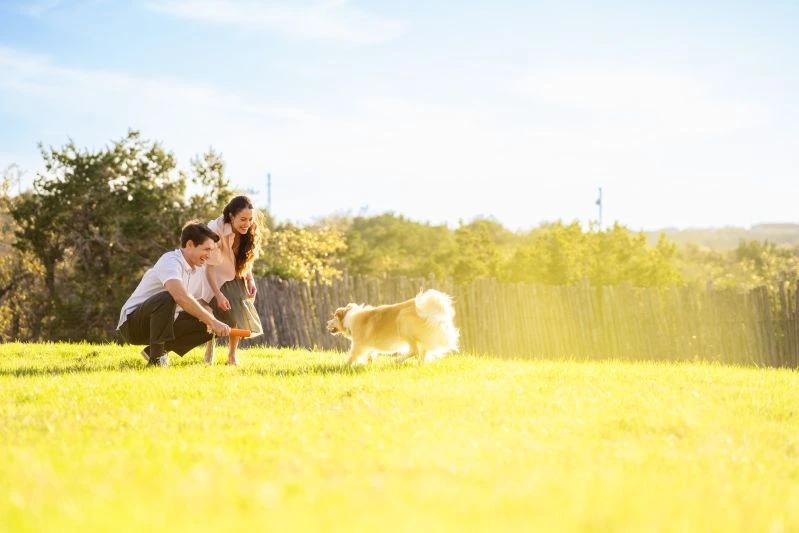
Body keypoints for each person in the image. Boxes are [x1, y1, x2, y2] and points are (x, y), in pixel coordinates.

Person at [117, 222, 231, 367]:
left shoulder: (197, 270)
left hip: (163, 324)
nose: (209, 255)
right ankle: (156, 360)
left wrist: (211, 318)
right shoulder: (170, 261)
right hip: (133, 325)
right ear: (190, 245)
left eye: (211, 250)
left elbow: (197, 302)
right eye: (206, 249)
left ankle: (155, 350)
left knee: (208, 325)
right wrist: (212, 321)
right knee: (169, 296)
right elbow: (180, 297)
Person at [203, 195, 265, 365]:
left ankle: (232, 356)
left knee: (238, 313)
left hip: (236, 275)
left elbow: (245, 259)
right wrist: (217, 294)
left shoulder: (249, 232)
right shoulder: (216, 230)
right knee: (214, 313)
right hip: (215, 277)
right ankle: (210, 345)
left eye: (250, 219)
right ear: (231, 216)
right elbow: (209, 268)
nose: (247, 223)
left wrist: (250, 280)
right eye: (243, 219)